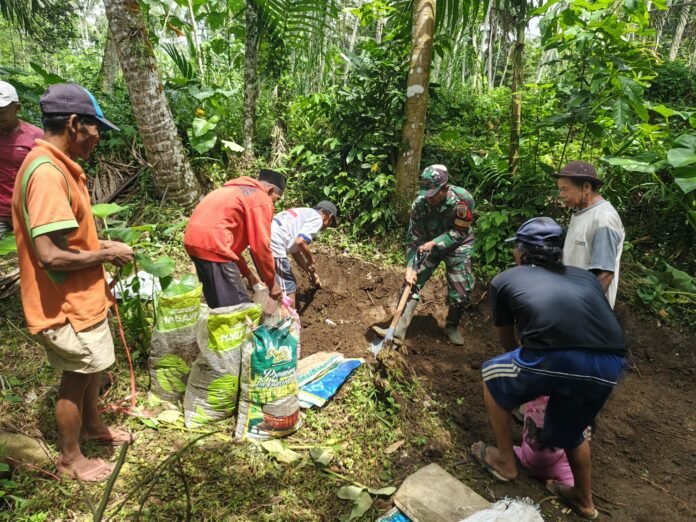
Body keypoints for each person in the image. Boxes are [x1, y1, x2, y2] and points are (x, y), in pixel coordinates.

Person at [11, 83, 135, 482]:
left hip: (83, 296)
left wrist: (100, 246)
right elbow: (49, 255)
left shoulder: (58, 165)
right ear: (73, 123)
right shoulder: (47, 173)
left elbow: (69, 240)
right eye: (96, 127)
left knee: (93, 366)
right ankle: (70, 459)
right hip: (64, 302)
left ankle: (93, 427)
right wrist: (105, 256)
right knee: (77, 375)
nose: (98, 136)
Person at [471, 217, 626, 520]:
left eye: (516, 248)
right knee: (572, 426)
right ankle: (584, 500)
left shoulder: (505, 280)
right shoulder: (584, 278)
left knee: (491, 376)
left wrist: (524, 380)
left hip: (557, 358)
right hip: (610, 362)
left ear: (522, 252)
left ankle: (505, 462)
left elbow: (506, 340)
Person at [373, 164, 475, 345]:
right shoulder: (420, 204)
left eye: (433, 194)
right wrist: (410, 266)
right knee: (411, 281)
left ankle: (451, 326)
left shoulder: (463, 200)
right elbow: (414, 238)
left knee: (461, 292)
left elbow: (461, 231)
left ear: (445, 188)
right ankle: (397, 332)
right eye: (426, 193)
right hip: (428, 246)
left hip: (457, 246)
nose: (429, 198)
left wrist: (436, 242)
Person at [184, 169, 286, 308]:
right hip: (214, 246)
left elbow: (231, 247)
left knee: (218, 306)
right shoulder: (261, 198)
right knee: (238, 310)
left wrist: (248, 274)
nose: (274, 205)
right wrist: (271, 282)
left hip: (195, 244)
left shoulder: (232, 191)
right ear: (270, 190)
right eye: (276, 199)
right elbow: (261, 246)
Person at [554, 161, 625, 308]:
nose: (561, 195)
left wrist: (581, 309)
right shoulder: (583, 212)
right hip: (572, 301)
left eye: (565, 189)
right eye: (560, 190)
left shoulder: (603, 219)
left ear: (586, 187)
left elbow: (605, 275)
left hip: (586, 309)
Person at [269, 200, 338, 307]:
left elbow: (295, 251)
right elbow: (301, 241)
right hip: (274, 243)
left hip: (262, 238)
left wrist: (309, 272)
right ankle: (290, 316)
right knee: (289, 286)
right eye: (331, 223)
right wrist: (311, 260)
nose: (327, 227)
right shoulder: (317, 219)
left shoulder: (304, 213)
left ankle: (271, 312)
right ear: (330, 216)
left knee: (273, 284)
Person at [0, 80, 43, 238]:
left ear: (17, 108)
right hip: (1, 212)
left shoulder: (36, 136)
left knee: (36, 251)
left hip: (29, 210)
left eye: (2, 111)